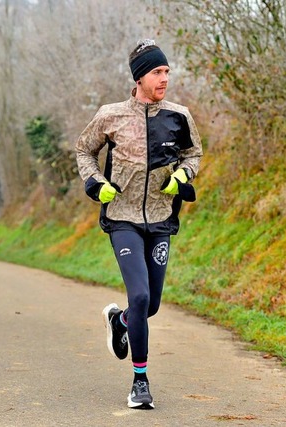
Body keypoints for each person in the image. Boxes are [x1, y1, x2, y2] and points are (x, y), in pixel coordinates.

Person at [75, 39, 203, 409]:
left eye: (166, 72)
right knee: (141, 295)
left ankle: (120, 321)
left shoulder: (178, 116)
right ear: (139, 77)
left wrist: (182, 174)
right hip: (123, 218)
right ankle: (140, 382)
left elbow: (194, 152)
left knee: (151, 306)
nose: (164, 78)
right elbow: (85, 149)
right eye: (157, 72)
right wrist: (96, 183)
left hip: (161, 218)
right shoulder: (110, 115)